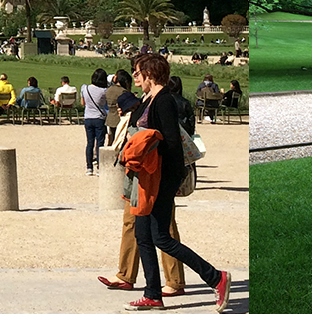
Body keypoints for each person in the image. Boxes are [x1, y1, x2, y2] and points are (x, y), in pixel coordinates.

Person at [118, 53, 230, 312]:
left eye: (138, 73)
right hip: (147, 179)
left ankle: (216, 277)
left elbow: (172, 144)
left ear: (150, 74)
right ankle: (152, 295)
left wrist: (168, 182)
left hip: (160, 179)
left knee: (161, 238)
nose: (136, 77)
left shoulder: (164, 101)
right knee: (143, 235)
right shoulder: (149, 99)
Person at [80, 69, 109, 176]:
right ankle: (99, 168)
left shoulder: (84, 88)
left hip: (88, 117)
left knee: (89, 143)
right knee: (100, 143)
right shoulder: (104, 91)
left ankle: (89, 167)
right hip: (99, 118)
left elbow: (83, 103)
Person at [106, 70, 134, 144]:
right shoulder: (123, 91)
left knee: (111, 139)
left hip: (110, 116)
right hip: (119, 117)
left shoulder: (109, 89)